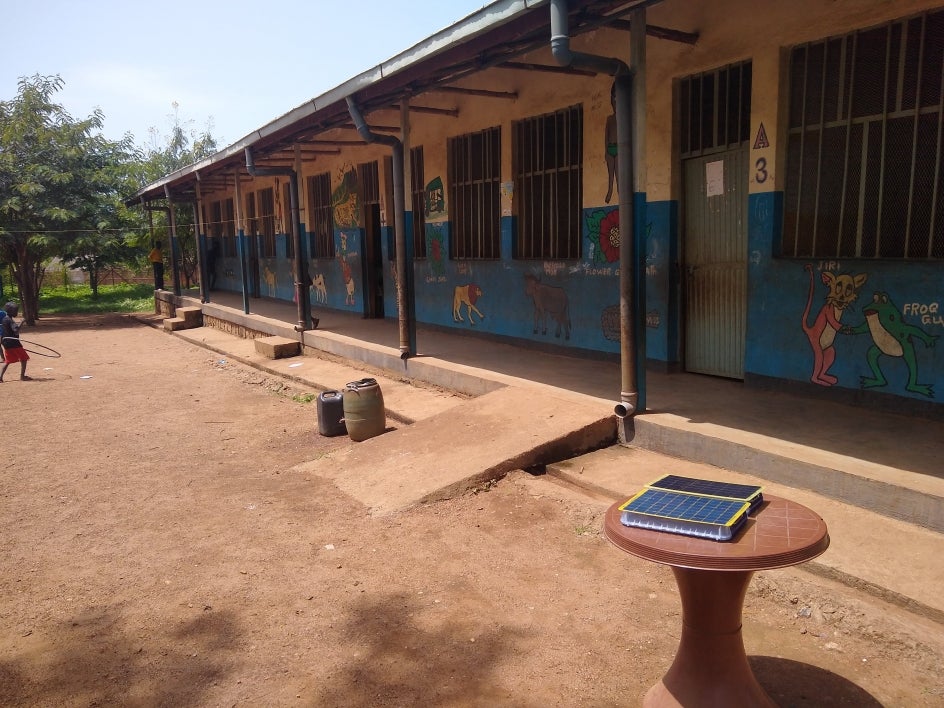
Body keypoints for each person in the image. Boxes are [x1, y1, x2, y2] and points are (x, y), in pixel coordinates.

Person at [0, 302, 30, 382]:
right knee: (24, 358)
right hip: (14, 343)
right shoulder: (9, 320)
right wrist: (22, 322)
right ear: (10, 311)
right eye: (15, 311)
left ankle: (0, 378)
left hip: (6, 342)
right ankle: (22, 376)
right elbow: (16, 330)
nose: (16, 313)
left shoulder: (4, 319)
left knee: (8, 361)